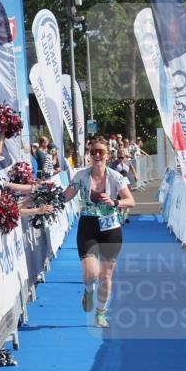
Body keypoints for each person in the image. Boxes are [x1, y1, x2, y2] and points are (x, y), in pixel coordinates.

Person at [63, 138, 135, 328]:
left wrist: (115, 202)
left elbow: (130, 201)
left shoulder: (115, 177)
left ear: (107, 155)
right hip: (88, 226)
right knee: (91, 274)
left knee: (105, 276)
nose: (97, 155)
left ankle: (101, 314)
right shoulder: (80, 176)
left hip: (111, 228)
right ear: (89, 154)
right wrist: (45, 195)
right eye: (94, 151)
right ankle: (88, 290)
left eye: (101, 152)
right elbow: (65, 196)